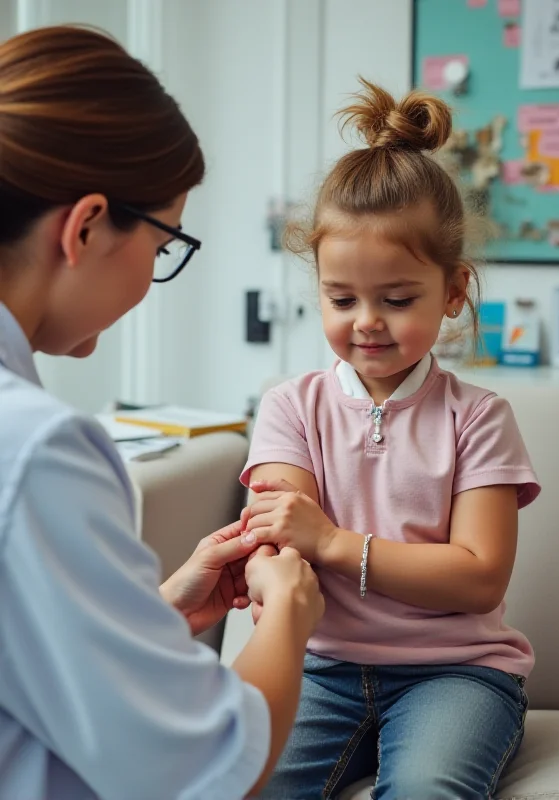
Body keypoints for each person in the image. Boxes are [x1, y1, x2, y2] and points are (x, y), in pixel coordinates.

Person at [0, 25, 325, 800]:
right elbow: (205, 770)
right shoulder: (37, 450)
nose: (156, 271)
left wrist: (156, 612)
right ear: (84, 228)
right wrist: (285, 619)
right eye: (165, 240)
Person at [241, 79, 541, 799]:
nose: (366, 321)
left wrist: (334, 543)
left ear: (454, 290)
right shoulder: (291, 406)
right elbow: (279, 545)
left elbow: (478, 577)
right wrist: (281, 558)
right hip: (320, 668)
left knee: (428, 789)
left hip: (458, 675)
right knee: (241, 782)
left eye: (397, 299)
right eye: (341, 298)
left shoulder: (479, 417)